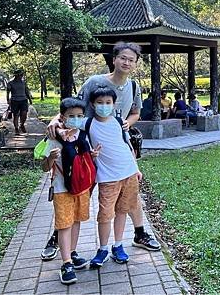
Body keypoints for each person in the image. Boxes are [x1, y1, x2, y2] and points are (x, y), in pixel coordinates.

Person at [40, 41, 160, 262]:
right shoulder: (94, 82)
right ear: (114, 59)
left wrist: (126, 123)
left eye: (131, 60)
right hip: (84, 146)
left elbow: (135, 112)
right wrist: (55, 120)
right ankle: (58, 237)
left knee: (128, 196)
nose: (126, 62)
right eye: (122, 58)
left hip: (116, 146)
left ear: (135, 64)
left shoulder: (133, 86)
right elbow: (72, 106)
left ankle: (139, 233)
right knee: (73, 192)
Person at [41, 97, 100, 285]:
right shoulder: (54, 139)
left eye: (79, 116)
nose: (76, 119)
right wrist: (50, 158)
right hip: (61, 189)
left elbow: (83, 158)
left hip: (81, 187)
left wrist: (92, 155)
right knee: (64, 224)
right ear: (62, 118)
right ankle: (65, 263)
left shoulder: (83, 136)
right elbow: (44, 167)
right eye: (71, 116)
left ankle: (72, 253)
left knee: (76, 221)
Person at [86, 87, 140, 268]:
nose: (104, 106)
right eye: (100, 103)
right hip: (107, 178)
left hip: (129, 172)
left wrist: (136, 168)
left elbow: (128, 145)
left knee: (122, 210)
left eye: (108, 103)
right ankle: (102, 249)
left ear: (113, 104)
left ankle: (118, 245)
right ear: (92, 105)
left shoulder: (119, 122)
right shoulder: (87, 124)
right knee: (104, 215)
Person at [6, 69, 33, 134]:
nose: (22, 76)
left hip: (23, 100)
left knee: (24, 114)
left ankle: (21, 125)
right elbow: (7, 92)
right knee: (16, 115)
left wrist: (30, 99)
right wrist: (7, 100)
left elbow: (26, 91)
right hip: (14, 100)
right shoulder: (10, 83)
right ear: (16, 75)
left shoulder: (23, 82)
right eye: (21, 75)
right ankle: (16, 128)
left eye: (22, 75)